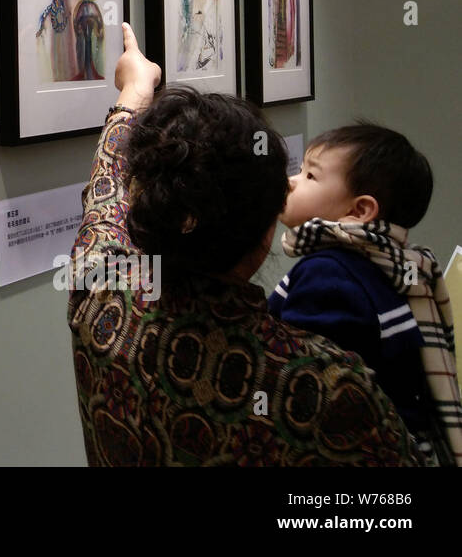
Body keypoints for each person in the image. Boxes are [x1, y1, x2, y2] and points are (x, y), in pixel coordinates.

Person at [66, 23, 424, 465]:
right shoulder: (327, 387)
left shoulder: (101, 299)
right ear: (267, 229)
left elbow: (106, 193)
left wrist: (135, 91)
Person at [269, 125, 460, 466]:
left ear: (359, 212)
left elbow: (300, 378)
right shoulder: (398, 264)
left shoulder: (327, 273)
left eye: (310, 175)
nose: (292, 181)